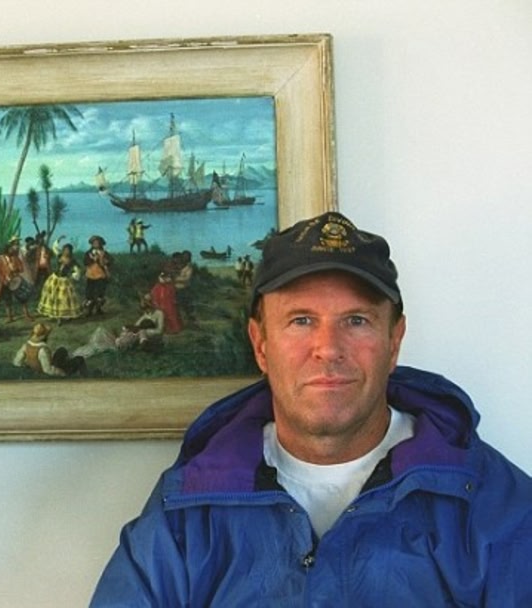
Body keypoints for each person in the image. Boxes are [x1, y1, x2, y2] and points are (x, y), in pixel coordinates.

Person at [90, 211, 532, 605]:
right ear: (260, 344)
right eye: (301, 320)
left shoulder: (495, 505)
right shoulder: (187, 510)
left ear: (394, 341)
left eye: (356, 320)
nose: (328, 348)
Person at [12, 322, 86, 377]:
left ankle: (67, 362)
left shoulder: (26, 346)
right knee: (80, 359)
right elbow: (47, 370)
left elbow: (17, 362)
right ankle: (83, 378)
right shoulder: (42, 350)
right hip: (48, 369)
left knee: (62, 350)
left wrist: (28, 364)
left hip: (40, 366)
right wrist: (62, 373)